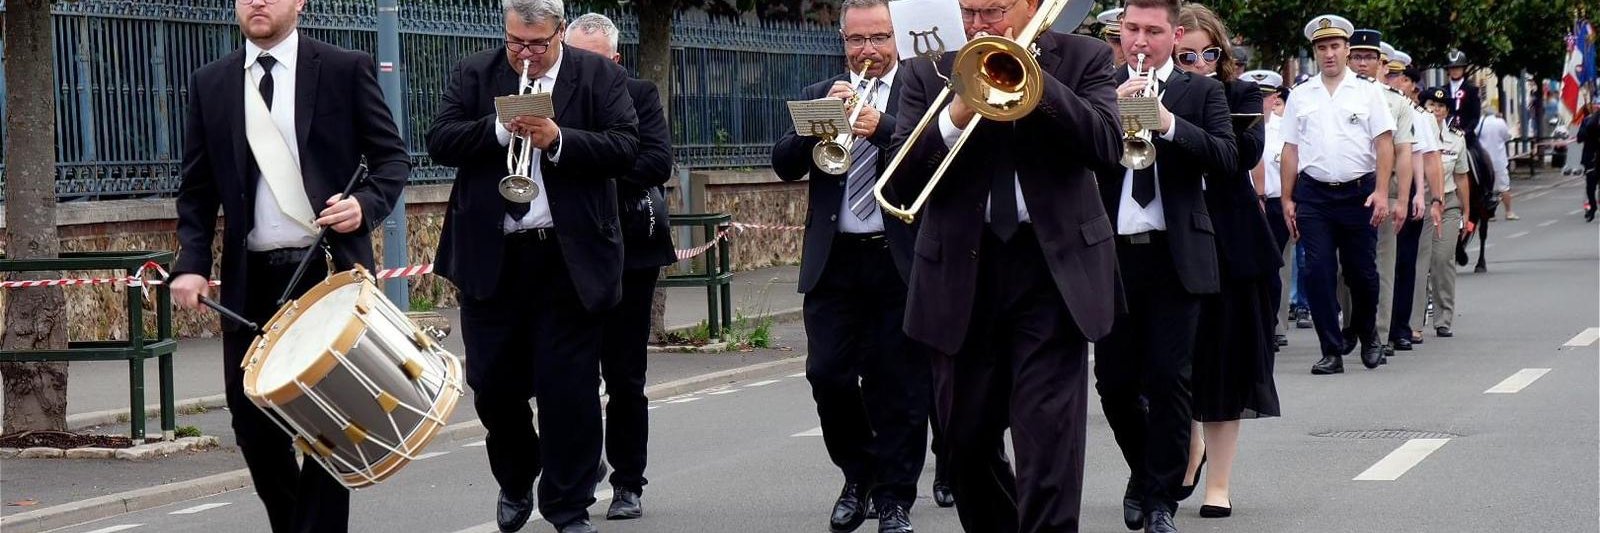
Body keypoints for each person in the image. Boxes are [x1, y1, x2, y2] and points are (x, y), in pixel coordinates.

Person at [170, 0, 412, 530]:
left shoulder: (345, 68)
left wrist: (364, 206)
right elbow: (196, 191)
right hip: (249, 279)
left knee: (329, 416)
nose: (256, 2)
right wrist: (190, 263)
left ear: (299, 3)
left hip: (327, 273)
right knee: (252, 421)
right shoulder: (211, 82)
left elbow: (392, 159)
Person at [888, 0, 1122, 530]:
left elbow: (1108, 148)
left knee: (1048, 440)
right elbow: (899, 180)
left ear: (1032, 7)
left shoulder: (1084, 57)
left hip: (1050, 272)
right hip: (960, 276)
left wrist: (1035, 84)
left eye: (992, 11)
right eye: (968, 12)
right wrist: (956, 113)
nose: (977, 26)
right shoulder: (929, 70)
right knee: (964, 445)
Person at [426, 0, 640, 530]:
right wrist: (500, 131)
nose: (525, 54)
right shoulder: (476, 72)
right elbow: (440, 140)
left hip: (567, 258)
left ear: (560, 32)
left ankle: (568, 507)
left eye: (537, 44)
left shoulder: (596, 76)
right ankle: (518, 477)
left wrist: (558, 140)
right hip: (493, 256)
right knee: (492, 384)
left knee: (568, 389)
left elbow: (626, 146)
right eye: (515, 42)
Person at [771, 1, 927, 531]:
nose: (868, 51)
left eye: (879, 38)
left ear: (897, 38)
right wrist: (816, 129)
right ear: (842, 41)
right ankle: (858, 474)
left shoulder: (920, 90)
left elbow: (932, 155)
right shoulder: (822, 92)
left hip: (898, 261)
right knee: (828, 376)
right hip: (834, 263)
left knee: (898, 386)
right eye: (856, 40)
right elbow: (784, 164)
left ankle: (894, 499)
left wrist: (881, 127)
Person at [1095, 1, 1235, 531]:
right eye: (1131, 29)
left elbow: (1226, 158)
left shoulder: (1201, 91)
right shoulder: (1102, 87)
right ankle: (1145, 470)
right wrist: (1109, 109)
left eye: (1152, 31)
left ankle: (1159, 503)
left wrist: (1170, 123)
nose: (1139, 41)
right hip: (1112, 256)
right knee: (1114, 383)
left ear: (1173, 35)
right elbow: (1075, 155)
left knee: (1169, 378)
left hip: (1175, 256)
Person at [564, 12, 675, 522]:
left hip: (630, 248)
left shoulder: (638, 92)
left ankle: (629, 481)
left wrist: (586, 156)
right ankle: (578, 481)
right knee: (570, 375)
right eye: (573, 55)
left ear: (615, 59)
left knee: (625, 376)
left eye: (593, 58)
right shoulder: (549, 93)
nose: (580, 67)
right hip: (567, 250)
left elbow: (656, 161)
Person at [1171, 5, 1278, 522]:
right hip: (1173, 240)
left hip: (1232, 246)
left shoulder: (1242, 94)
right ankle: (1189, 445)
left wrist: (1188, 120)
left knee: (1226, 365)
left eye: (1207, 53)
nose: (1197, 62)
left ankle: (1219, 483)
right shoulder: (1154, 94)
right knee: (1177, 362)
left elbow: (1242, 155)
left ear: (1222, 52)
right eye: (1185, 54)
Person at [1279, 14, 1396, 375]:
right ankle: (1331, 349)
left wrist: (1380, 192)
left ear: (1346, 49)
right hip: (1314, 195)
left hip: (1358, 193)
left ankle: (1368, 333)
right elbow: (1290, 150)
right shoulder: (1301, 94)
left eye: (1334, 46)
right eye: (1321, 48)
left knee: (1362, 273)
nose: (1328, 54)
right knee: (1316, 271)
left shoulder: (1368, 91)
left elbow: (1385, 143)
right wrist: (1287, 199)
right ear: (1314, 52)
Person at [1337, 33, 1412, 363]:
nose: (1363, 63)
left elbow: (1404, 152)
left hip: (1384, 190)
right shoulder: (1334, 94)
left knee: (1381, 265)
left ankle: (1378, 333)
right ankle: (1352, 326)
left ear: (1382, 63)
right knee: (1345, 270)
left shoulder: (1396, 102)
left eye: (1371, 57)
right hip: (1344, 191)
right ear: (1349, 58)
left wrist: (1404, 198)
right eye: (1358, 57)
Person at [1386, 58, 1445, 351]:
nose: (1392, 79)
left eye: (1398, 75)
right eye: (1388, 73)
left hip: (1405, 191)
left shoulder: (1416, 115)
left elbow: (1429, 158)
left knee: (1405, 263)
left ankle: (1399, 327)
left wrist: (1431, 197)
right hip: (1368, 191)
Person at [1419, 87, 1474, 338]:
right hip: (1421, 202)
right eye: (1431, 105)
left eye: (1441, 107)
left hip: (1449, 203)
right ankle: (1414, 320)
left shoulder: (1456, 138)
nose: (1436, 110)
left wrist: (1466, 209)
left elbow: (1462, 177)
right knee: (1418, 264)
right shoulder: (1415, 132)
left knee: (1442, 261)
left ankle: (1443, 318)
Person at [1245, 69, 1292, 348]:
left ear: (1275, 98)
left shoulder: (1284, 129)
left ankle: (1271, 325)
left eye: (1264, 96)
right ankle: (1255, 327)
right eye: (1254, 95)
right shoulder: (1237, 124)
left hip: (1274, 205)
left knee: (1272, 271)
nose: (1259, 101)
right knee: (1251, 271)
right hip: (1245, 204)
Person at [1477, 111, 1515, 220]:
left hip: (1484, 160)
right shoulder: (1500, 122)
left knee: (1485, 188)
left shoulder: (1480, 122)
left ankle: (1488, 213)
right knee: (1504, 187)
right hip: (1499, 160)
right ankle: (1509, 212)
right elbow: (1507, 136)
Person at [1580, 103, 1600, 222]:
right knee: (1590, 187)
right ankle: (1592, 207)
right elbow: (1579, 137)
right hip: (1591, 158)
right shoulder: (1588, 121)